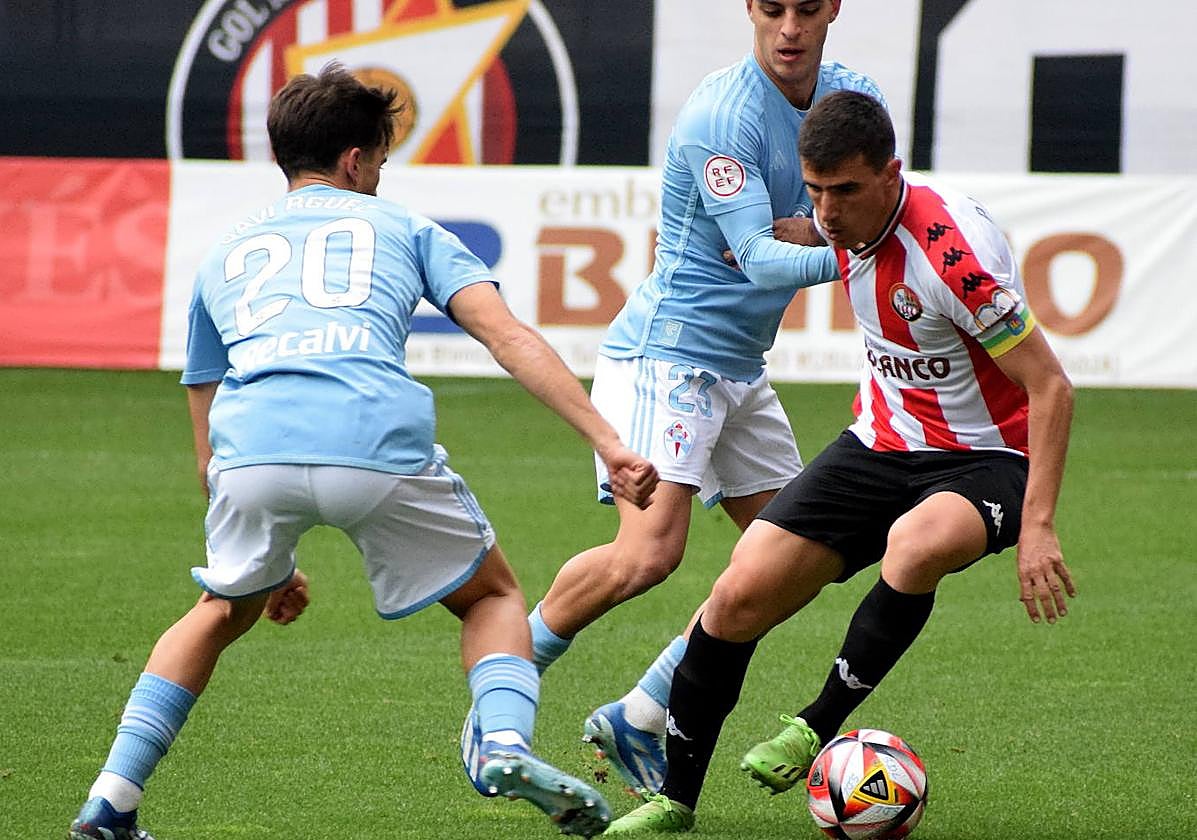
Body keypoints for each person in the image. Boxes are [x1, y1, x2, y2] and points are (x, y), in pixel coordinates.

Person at [66, 62, 660, 840]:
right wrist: (607, 440)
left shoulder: (224, 252)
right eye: (379, 159)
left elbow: (203, 404)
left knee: (217, 609)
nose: (381, 174)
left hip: (250, 457)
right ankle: (503, 743)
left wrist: (260, 555)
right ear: (355, 160)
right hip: (370, 442)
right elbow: (506, 336)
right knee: (490, 597)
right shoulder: (407, 228)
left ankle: (111, 798)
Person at [604, 89, 1077, 834]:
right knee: (736, 593)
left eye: (844, 191)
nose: (827, 210)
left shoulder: (953, 259)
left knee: (915, 544)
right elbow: (822, 233)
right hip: (881, 442)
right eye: (815, 189)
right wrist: (795, 229)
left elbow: (1049, 387)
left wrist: (1039, 524)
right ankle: (674, 800)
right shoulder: (842, 221)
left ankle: (814, 724)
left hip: (987, 456)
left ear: (891, 174)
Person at [513, 0, 884, 797]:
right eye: (772, 8)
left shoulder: (853, 100)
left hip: (740, 367)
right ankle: (501, 688)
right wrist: (848, 246)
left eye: (807, 9)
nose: (789, 27)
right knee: (647, 554)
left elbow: (874, 200)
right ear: (750, 10)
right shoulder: (723, 116)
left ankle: (642, 712)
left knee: (797, 561)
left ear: (833, 11)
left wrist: (812, 231)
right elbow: (758, 258)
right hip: (668, 355)